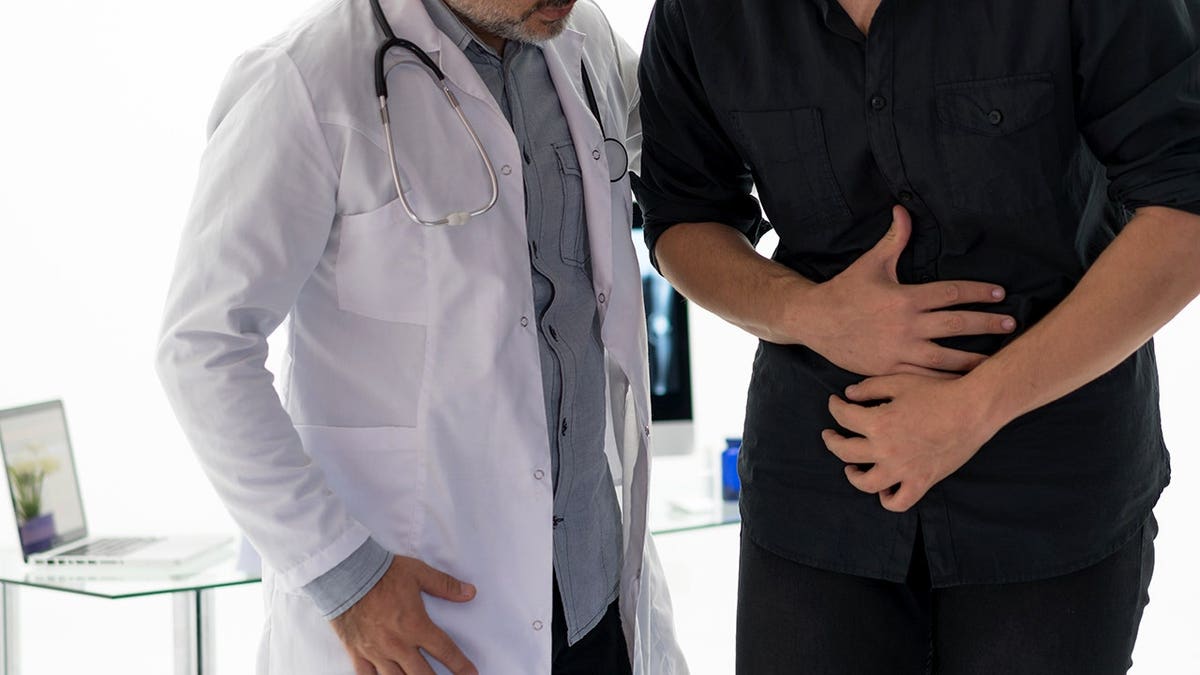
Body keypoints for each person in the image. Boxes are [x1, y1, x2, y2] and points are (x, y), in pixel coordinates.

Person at [635, 0, 1200, 672]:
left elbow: (1185, 206)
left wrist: (973, 408)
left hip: (1051, 494)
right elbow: (681, 217)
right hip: (815, 496)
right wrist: (807, 313)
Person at [155, 0, 688, 673]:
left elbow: (693, 149)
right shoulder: (305, 78)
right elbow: (201, 348)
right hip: (421, 624)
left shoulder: (584, 42)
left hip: (596, 608)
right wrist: (345, 577)